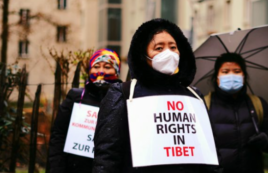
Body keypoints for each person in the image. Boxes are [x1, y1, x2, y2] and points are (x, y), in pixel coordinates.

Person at [93, 18, 217, 173]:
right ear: (143, 55)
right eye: (159, 48)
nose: (168, 53)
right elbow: (107, 156)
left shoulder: (193, 96)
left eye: (173, 47)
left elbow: (209, 152)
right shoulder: (123, 93)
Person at [49, 49, 122, 173]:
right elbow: (59, 135)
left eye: (108, 66)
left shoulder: (123, 99)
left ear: (116, 71)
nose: (101, 71)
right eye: (96, 66)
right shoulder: (76, 97)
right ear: (89, 70)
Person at [206, 53, 268, 173]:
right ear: (217, 78)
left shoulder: (257, 104)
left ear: (244, 76)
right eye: (225, 72)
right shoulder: (205, 105)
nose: (231, 76)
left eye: (237, 71)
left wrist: (266, 139)